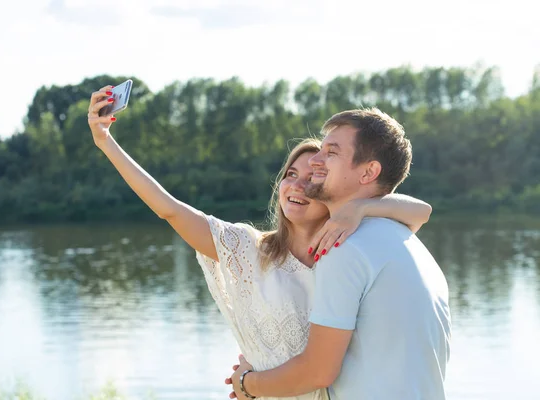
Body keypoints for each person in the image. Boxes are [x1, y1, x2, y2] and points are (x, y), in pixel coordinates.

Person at [87, 87, 433, 400]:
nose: (297, 186)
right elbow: (170, 210)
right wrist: (105, 142)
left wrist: (361, 206)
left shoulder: (346, 247)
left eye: (313, 177)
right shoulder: (248, 250)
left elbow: (422, 211)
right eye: (290, 175)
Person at [229, 108, 451, 400]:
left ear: (369, 172)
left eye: (331, 153)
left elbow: (318, 371)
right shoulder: (405, 239)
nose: (316, 161)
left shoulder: (345, 248)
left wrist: (246, 383)